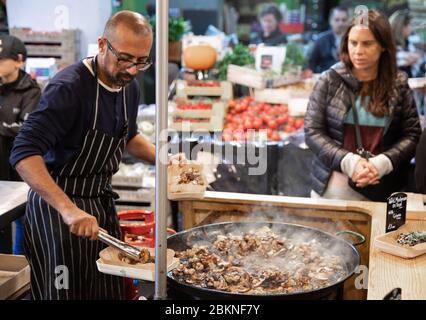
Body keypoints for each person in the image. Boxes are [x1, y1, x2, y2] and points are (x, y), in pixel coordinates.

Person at [9, 11, 159, 300]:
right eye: (125, 58)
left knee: (108, 292)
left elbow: (128, 137)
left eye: (141, 61)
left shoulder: (130, 87)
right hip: (57, 214)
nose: (131, 69)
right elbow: (24, 153)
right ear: (102, 45)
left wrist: (164, 160)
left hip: (99, 207)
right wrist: (67, 209)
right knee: (65, 294)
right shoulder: (69, 88)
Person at [304, 9, 421, 201]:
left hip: (382, 188)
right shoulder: (330, 80)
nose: (358, 51)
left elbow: (412, 134)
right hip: (333, 189)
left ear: (383, 46)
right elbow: (313, 131)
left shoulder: (398, 83)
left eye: (367, 44)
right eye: (353, 43)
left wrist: (383, 163)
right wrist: (348, 161)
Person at [0, 35, 41, 255]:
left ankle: (22, 273)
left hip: (21, 176)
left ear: (18, 60)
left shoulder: (31, 91)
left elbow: (26, 129)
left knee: (24, 226)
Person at [308, 6, 349, 73]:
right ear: (331, 21)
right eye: (337, 20)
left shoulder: (353, 40)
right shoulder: (321, 40)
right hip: (326, 79)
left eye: (344, 20)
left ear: (348, 21)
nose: (340, 23)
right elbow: (311, 64)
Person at [389, 10, 424, 78]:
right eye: (410, 25)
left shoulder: (407, 42)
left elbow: (418, 59)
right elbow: (391, 61)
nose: (411, 28)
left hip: (411, 82)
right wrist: (406, 58)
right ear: (402, 27)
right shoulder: (389, 43)